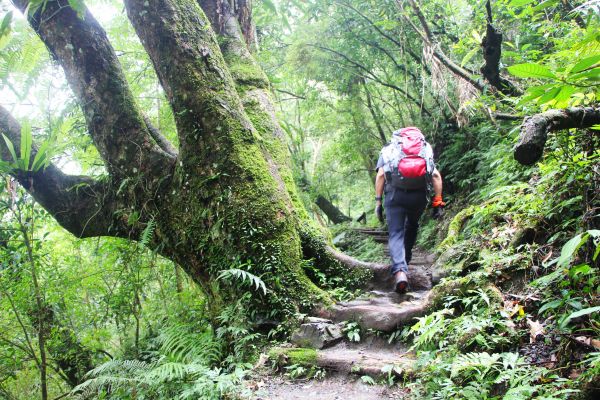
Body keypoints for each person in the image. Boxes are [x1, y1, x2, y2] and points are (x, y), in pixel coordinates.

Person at [374, 127, 445, 293]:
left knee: (396, 233)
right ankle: (405, 259)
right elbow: (435, 176)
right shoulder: (425, 148)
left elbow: (380, 175)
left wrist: (378, 202)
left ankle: (400, 271)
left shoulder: (389, 149)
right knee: (412, 225)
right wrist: (438, 200)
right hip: (419, 195)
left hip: (394, 196)